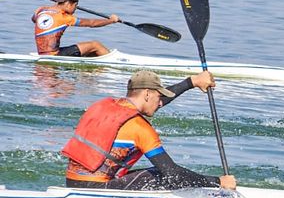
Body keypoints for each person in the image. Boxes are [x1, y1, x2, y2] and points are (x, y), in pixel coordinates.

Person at [62, 69, 237, 191]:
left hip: (72, 182)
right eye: (158, 96)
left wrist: (192, 82)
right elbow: (173, 175)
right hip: (98, 190)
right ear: (147, 94)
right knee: (161, 175)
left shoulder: (104, 106)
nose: (160, 102)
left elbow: (154, 103)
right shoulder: (140, 128)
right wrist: (217, 182)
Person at [33, 0, 119, 57]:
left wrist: (54, 7)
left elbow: (34, 19)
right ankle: (115, 63)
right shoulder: (65, 17)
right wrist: (111, 20)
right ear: (68, 4)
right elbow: (92, 23)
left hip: (42, 53)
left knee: (89, 51)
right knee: (95, 45)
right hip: (55, 55)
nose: (75, 9)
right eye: (75, 6)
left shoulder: (41, 10)